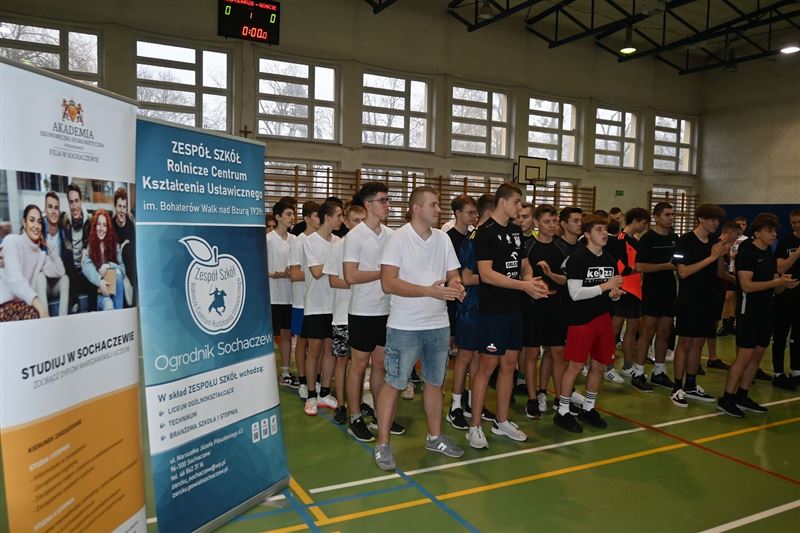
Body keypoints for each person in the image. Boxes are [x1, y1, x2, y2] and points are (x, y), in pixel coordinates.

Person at [373, 186, 466, 471]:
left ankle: (435, 437)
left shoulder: (443, 239)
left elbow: (453, 273)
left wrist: (456, 286)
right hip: (405, 327)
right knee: (395, 383)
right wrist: (429, 291)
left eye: (438, 205)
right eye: (433, 205)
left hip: (438, 325)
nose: (438, 209)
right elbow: (388, 282)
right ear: (416, 208)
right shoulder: (398, 239)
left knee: (435, 383)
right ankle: (383, 444)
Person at [467, 184, 550, 449]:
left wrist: (529, 280)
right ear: (502, 202)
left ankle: (501, 421)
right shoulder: (484, 232)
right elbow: (486, 274)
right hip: (493, 311)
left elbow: (524, 264)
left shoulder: (515, 231)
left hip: (515, 309)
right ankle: (475, 426)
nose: (519, 207)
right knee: (487, 366)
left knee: (510, 365)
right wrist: (523, 286)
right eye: (516, 202)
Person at [717, 213, 799, 417]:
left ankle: (742, 395)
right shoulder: (747, 254)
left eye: (775, 231)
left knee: (758, 354)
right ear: (757, 233)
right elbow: (746, 286)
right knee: (744, 356)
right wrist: (776, 282)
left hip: (767, 310)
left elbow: (776, 287)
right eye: (769, 231)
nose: (774, 234)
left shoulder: (769, 254)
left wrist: (784, 283)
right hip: (749, 311)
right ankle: (727, 398)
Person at [343, 182, 404, 442]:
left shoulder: (392, 235)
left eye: (388, 200)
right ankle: (355, 417)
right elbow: (350, 275)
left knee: (380, 365)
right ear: (368, 204)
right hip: (363, 311)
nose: (387, 205)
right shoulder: (355, 236)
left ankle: (381, 415)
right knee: (358, 365)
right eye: (383, 200)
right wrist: (383, 273)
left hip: (387, 310)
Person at [554, 214, 624, 433]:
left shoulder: (610, 260)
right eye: (599, 230)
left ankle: (589, 408)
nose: (604, 234)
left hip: (604, 319)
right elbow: (575, 293)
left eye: (606, 230)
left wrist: (614, 294)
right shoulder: (577, 258)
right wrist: (606, 286)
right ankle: (563, 411)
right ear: (587, 234)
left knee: (599, 365)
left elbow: (611, 292)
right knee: (575, 366)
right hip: (581, 321)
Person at [670, 203, 729, 407]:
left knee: (699, 342)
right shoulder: (684, 241)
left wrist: (720, 257)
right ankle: (677, 387)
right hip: (689, 300)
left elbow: (720, 274)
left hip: (708, 300)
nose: (716, 223)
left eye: (718, 220)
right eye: (712, 219)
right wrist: (712, 256)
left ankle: (691, 384)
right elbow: (683, 272)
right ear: (700, 219)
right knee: (685, 343)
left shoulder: (715, 241)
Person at [447, 193, 495, 430]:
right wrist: (495, 277)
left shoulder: (489, 237)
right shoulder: (472, 240)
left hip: (486, 305)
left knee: (478, 356)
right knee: (465, 356)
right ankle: (455, 406)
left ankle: (473, 402)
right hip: (469, 306)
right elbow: (465, 278)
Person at [521, 204, 568, 420]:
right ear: (537, 223)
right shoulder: (528, 247)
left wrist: (550, 274)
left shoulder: (561, 247)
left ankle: (558, 397)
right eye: (547, 222)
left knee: (557, 352)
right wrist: (535, 284)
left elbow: (564, 280)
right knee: (532, 353)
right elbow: (523, 276)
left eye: (554, 221)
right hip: (533, 307)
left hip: (556, 307)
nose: (551, 225)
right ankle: (532, 398)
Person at [324, 204, 366, 424]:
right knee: (343, 361)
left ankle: (357, 402)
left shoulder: (371, 245)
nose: (360, 225)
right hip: (342, 315)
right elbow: (333, 280)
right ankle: (341, 404)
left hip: (365, 313)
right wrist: (356, 282)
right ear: (347, 223)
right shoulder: (338, 247)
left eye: (363, 220)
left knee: (361, 364)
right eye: (355, 221)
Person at [301, 201, 343, 416]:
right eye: (338, 215)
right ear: (327, 217)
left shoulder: (339, 241)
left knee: (330, 350)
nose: (341, 219)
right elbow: (316, 272)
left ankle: (325, 392)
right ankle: (311, 395)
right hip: (315, 305)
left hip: (335, 305)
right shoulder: (310, 241)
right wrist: (334, 265)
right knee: (314, 351)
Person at [635, 202, 678, 391]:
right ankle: (638, 373)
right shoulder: (647, 239)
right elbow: (640, 266)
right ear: (657, 217)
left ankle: (659, 372)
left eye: (672, 214)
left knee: (665, 332)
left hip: (670, 290)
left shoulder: (674, 238)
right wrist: (665, 266)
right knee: (647, 332)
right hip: (652, 290)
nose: (671, 218)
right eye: (667, 215)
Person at [608, 207, 650, 390]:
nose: (645, 226)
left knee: (632, 330)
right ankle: (608, 367)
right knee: (614, 330)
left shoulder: (636, 241)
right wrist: (641, 268)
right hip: (622, 289)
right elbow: (620, 267)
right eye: (643, 223)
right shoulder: (620, 239)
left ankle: (627, 366)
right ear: (635, 221)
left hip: (636, 291)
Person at [289, 201, 320, 399]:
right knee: (302, 341)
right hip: (302, 300)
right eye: (316, 215)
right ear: (307, 218)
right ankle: (302, 381)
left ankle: (315, 379)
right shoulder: (298, 241)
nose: (320, 219)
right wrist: (319, 271)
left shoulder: (324, 240)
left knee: (318, 344)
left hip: (320, 301)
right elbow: (294, 274)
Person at [267, 201, 298, 389]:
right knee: (269, 337)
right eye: (288, 214)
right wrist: (271, 274)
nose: (292, 217)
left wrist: (288, 273)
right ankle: (265, 374)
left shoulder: (295, 240)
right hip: (272, 296)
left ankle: (285, 372)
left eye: (293, 214)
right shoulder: (268, 239)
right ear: (278, 217)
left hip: (290, 296)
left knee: (287, 334)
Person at [0, 205, 49, 321]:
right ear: (24, 223)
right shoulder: (11, 241)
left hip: (23, 305)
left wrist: (49, 247)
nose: (36, 226)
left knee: (35, 318)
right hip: (3, 305)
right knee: (36, 316)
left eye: (39, 222)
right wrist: (40, 306)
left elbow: (59, 271)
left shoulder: (40, 254)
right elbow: (15, 279)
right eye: (32, 220)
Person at [446, 195, 478, 364]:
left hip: (471, 298)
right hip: (452, 296)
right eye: (470, 213)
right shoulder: (447, 238)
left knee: (468, 348)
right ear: (458, 213)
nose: (474, 216)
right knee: (448, 341)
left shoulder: (475, 236)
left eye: (475, 213)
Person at [772, 208, 800, 390]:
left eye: (799, 222)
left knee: (798, 336)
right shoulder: (786, 242)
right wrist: (797, 253)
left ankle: (796, 370)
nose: (796, 226)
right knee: (780, 336)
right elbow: (780, 268)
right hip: (785, 295)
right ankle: (778, 373)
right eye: (793, 223)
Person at [81, 209, 125, 311]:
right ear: (95, 226)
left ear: (108, 228)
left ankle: (119, 315)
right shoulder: (90, 246)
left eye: (104, 225)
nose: (101, 228)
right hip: (99, 293)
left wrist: (109, 265)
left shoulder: (115, 246)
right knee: (108, 304)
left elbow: (123, 270)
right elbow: (85, 267)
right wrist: (99, 281)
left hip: (114, 289)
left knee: (118, 274)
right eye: (99, 224)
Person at [60, 183, 95, 312]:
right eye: (71, 202)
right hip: (71, 274)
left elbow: (106, 225)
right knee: (66, 254)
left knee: (91, 270)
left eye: (76, 201)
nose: (74, 206)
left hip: (85, 270)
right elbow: (48, 219)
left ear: (81, 201)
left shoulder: (90, 220)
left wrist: (128, 216)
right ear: (68, 204)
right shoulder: (64, 220)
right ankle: (75, 303)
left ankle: (93, 312)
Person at [35, 192, 69, 316]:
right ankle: (46, 321)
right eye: (50, 207)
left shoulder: (64, 234)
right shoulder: (38, 231)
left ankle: (63, 320)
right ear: (45, 210)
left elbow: (64, 269)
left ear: (59, 211)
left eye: (56, 208)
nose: (53, 211)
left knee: (65, 279)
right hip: (41, 284)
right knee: (40, 277)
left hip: (56, 283)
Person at [111, 187, 136, 306]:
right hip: (117, 269)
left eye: (124, 207)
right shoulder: (111, 226)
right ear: (115, 207)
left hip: (130, 272)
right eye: (119, 206)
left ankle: (131, 292)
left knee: (129, 250)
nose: (121, 210)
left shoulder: (131, 225)